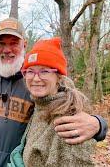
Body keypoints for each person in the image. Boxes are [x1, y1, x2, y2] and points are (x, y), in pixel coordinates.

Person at [0, 17, 108, 167]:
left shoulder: (37, 83)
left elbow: (70, 100)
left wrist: (99, 124)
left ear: (24, 44)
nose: (7, 49)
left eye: (14, 43)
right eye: (1, 43)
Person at [18, 37, 95, 166]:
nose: (36, 78)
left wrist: (99, 124)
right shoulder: (40, 105)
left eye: (44, 71)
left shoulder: (67, 120)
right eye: (30, 71)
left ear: (59, 77)